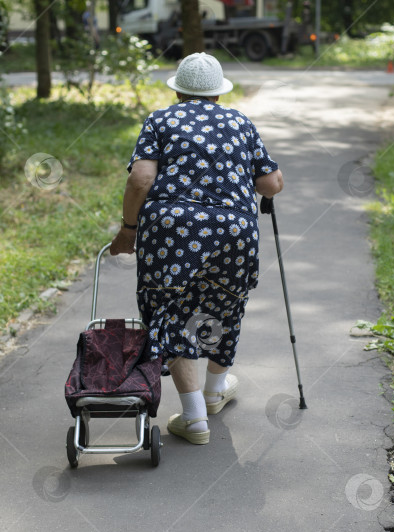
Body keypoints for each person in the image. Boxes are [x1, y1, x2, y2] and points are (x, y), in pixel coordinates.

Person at [110, 53, 284, 445]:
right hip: (233, 231)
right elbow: (271, 184)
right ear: (219, 94)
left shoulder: (161, 119)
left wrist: (128, 229)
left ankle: (194, 418)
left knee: (172, 311)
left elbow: (141, 178)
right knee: (223, 304)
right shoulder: (239, 122)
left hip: (171, 231)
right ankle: (214, 391)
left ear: (176, 90)